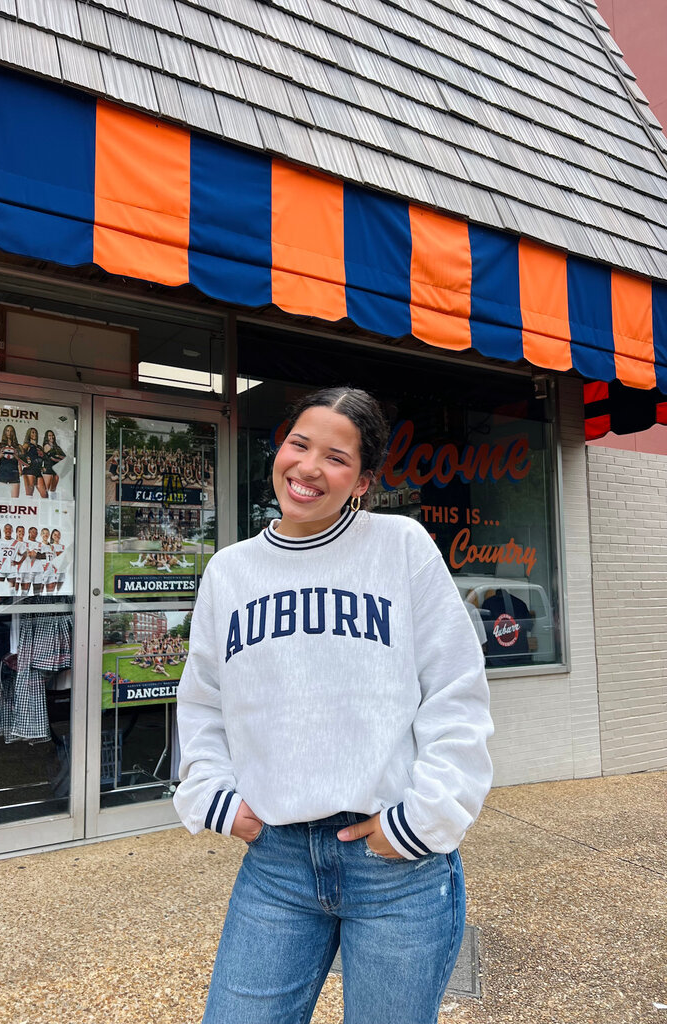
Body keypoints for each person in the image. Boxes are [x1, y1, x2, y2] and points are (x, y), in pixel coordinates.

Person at [173, 387, 494, 1024]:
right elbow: (205, 699)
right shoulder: (230, 572)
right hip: (277, 863)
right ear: (279, 448)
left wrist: (422, 819)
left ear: (363, 481)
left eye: (337, 457)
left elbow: (455, 691)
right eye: (299, 444)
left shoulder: (401, 547)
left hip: (394, 869)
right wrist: (212, 793)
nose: (309, 467)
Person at [41, 430, 66, 494]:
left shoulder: (57, 447)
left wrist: (58, 456)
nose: (51, 437)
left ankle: (52, 503)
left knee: (53, 490)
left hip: (56, 469)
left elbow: (64, 457)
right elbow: (53, 458)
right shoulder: (46, 446)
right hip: (48, 468)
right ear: (46, 437)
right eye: (49, 435)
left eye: (52, 435)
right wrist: (59, 457)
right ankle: (45, 503)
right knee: (46, 490)